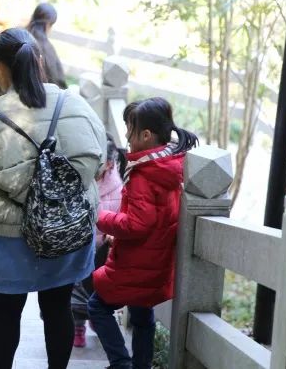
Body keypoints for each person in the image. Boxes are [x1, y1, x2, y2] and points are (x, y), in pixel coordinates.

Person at [0, 28, 106, 369]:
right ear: (39, 61)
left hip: (11, 238)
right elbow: (100, 159)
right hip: (67, 233)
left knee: (7, 311)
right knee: (58, 309)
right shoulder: (75, 105)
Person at [88, 97, 199, 369]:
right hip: (155, 261)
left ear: (146, 135)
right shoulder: (169, 166)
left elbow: (136, 224)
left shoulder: (145, 173)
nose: (126, 134)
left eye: (130, 128)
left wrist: (100, 217)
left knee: (97, 306)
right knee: (142, 315)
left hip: (135, 262)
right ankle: (141, 365)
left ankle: (120, 363)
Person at [71, 133, 125, 348]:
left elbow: (123, 216)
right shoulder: (80, 177)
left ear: (110, 163)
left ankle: (94, 317)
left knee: (96, 289)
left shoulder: (119, 188)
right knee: (74, 291)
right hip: (78, 244)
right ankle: (77, 327)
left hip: (102, 249)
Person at [27, 2, 67, 89]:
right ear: (48, 24)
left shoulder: (18, 36)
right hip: (41, 97)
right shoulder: (46, 48)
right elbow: (57, 80)